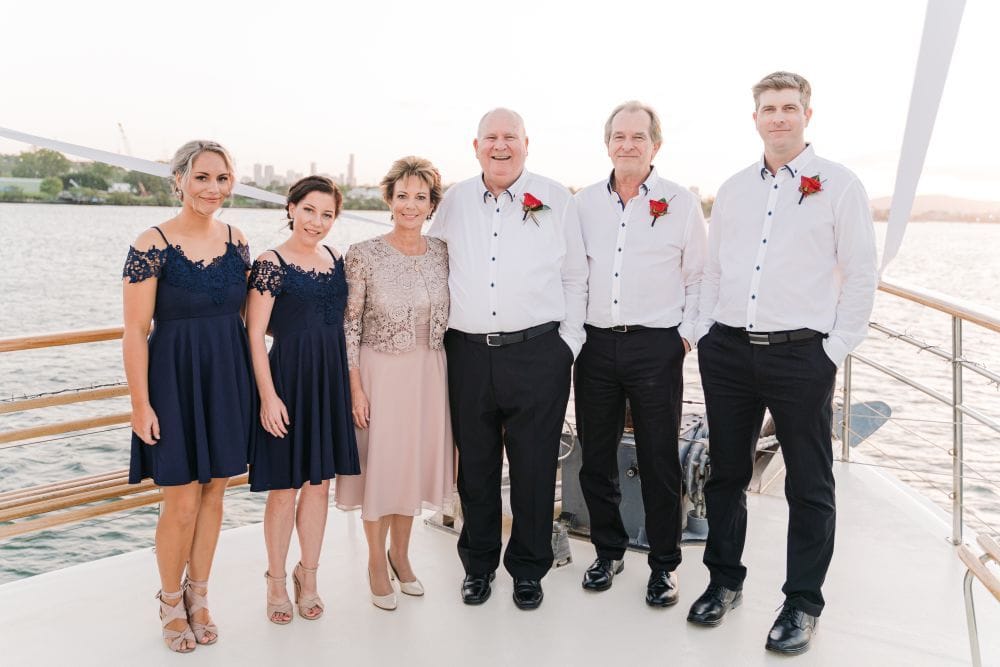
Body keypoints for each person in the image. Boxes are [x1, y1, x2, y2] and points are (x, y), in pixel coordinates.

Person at [689, 72, 878, 654]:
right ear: (755, 118)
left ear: (806, 114)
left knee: (810, 484)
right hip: (728, 351)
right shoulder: (735, 188)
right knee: (725, 474)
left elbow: (862, 273)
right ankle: (723, 582)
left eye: (788, 107)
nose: (778, 117)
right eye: (768, 108)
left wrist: (834, 349)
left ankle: (801, 602)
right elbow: (714, 268)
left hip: (803, 355)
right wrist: (703, 331)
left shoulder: (841, 185)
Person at [429, 108, 588, 610]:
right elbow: (431, 261)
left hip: (539, 353)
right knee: (473, 469)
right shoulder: (454, 201)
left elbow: (576, 275)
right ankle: (478, 567)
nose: (501, 146)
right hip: (468, 354)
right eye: (491, 138)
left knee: (535, 468)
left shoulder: (557, 198)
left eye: (510, 138)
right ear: (475, 146)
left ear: (526, 143)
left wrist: (569, 343)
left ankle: (528, 569)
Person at [122, 140, 254, 653]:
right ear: (178, 180)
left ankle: (200, 597)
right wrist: (140, 404)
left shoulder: (238, 239)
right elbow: (134, 331)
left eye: (222, 179)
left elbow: (248, 319)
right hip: (172, 382)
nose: (212, 189)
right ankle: (170, 602)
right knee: (179, 501)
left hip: (227, 377)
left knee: (215, 492)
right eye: (202, 177)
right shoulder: (151, 243)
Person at [573, 101, 706, 606]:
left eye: (638, 137)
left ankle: (665, 565)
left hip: (657, 345)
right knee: (596, 456)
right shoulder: (582, 203)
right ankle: (607, 552)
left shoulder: (681, 202)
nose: (628, 145)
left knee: (658, 460)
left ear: (656, 145)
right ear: (607, 143)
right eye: (619, 136)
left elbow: (699, 276)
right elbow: (571, 274)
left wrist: (686, 335)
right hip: (595, 344)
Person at [334, 156, 453, 611]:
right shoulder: (364, 254)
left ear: (431, 205)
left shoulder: (442, 251)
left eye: (420, 197)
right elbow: (349, 325)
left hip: (429, 373)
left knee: (410, 465)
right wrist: (355, 387)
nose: (410, 205)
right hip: (379, 371)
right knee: (380, 466)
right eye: (402, 195)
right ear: (389, 199)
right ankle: (375, 563)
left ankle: (402, 555)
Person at [246, 176, 360, 624]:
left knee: (320, 487)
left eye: (327, 214)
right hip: (288, 384)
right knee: (283, 490)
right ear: (291, 207)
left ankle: (307, 576)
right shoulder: (270, 262)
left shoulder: (334, 259)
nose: (317, 221)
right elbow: (255, 333)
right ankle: (276, 580)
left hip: (328, 384)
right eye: (309, 210)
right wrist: (268, 397)